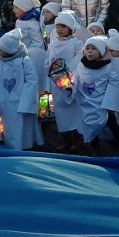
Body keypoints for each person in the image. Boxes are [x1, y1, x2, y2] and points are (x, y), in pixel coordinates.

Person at [0, 30, 40, 151]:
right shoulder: (1, 63)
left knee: (23, 127)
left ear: (10, 50)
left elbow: (31, 82)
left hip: (20, 104)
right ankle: (11, 147)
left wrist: (26, 103)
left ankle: (25, 147)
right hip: (5, 104)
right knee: (9, 127)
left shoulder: (25, 61)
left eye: (2, 49)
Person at [72, 35, 119, 151]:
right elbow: (76, 77)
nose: (90, 51)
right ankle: (94, 145)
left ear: (101, 51)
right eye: (87, 48)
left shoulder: (107, 67)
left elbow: (114, 83)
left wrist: (110, 101)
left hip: (102, 101)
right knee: (88, 122)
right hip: (85, 100)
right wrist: (70, 84)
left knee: (110, 121)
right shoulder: (81, 65)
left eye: (94, 49)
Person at [45, 11, 84, 151]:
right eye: (57, 26)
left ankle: (77, 137)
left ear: (70, 28)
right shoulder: (52, 45)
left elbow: (78, 61)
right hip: (56, 83)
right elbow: (48, 63)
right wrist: (52, 75)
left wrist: (68, 75)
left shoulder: (76, 43)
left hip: (70, 81)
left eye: (63, 26)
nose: (59, 29)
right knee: (61, 112)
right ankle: (65, 138)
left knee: (74, 110)